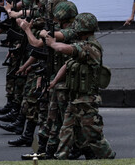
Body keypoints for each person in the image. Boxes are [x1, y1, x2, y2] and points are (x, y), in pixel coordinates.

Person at [46, 13, 116, 159]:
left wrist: (52, 43)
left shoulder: (90, 48)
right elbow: (67, 65)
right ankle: (60, 157)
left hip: (86, 101)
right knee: (66, 130)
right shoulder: (83, 45)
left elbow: (64, 49)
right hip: (75, 100)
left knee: (93, 136)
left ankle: (109, 157)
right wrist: (54, 82)